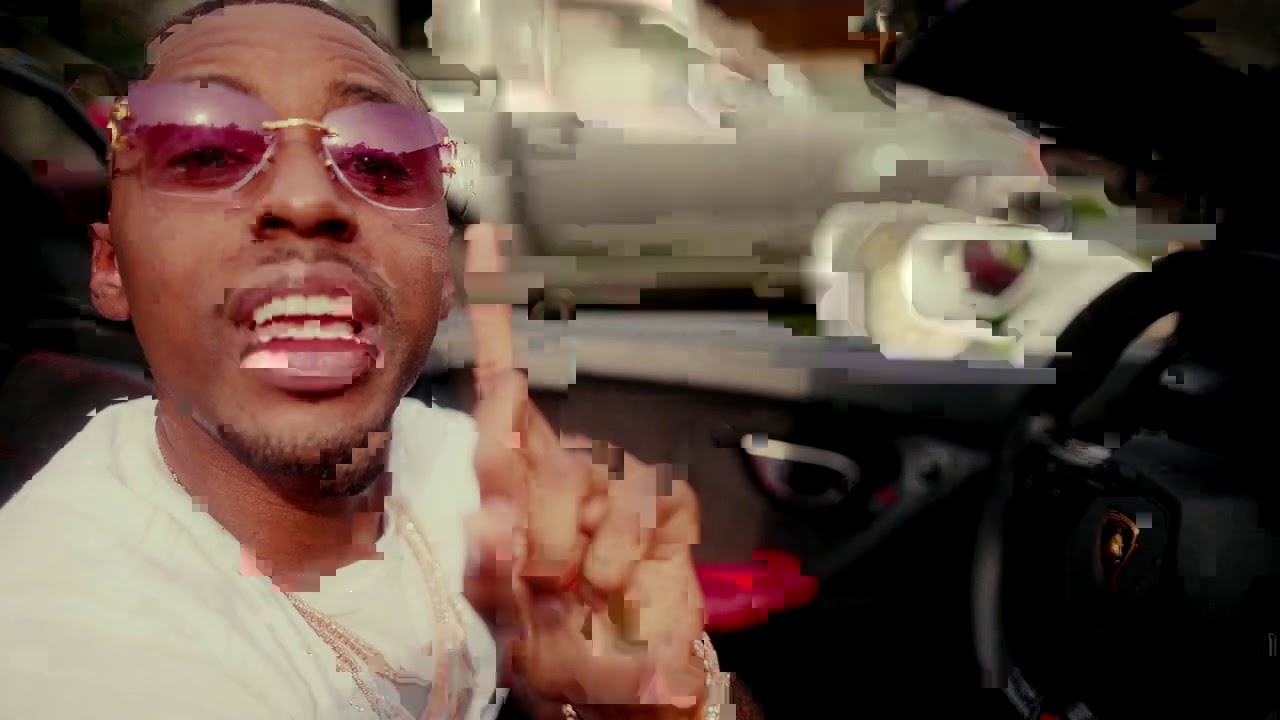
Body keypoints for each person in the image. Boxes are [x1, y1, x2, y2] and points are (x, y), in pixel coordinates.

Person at [0, 2, 762, 718]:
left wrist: (666, 697)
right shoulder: (69, 644)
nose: (308, 199)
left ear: (444, 276)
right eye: (206, 151)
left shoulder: (462, 472)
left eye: (380, 160)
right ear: (111, 268)